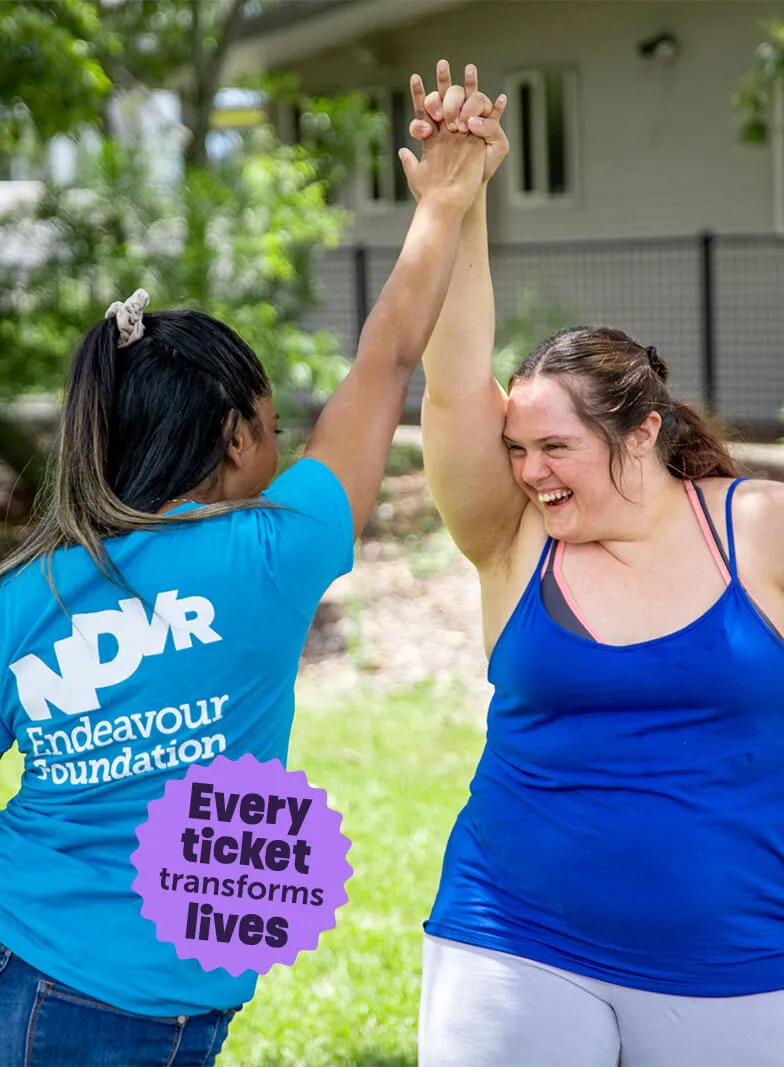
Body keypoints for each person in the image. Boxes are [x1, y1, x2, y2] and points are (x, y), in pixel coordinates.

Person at [0, 81, 489, 1067]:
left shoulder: (26, 591)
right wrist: (446, 196)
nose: (281, 446)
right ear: (232, 436)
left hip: (35, 963)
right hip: (106, 1006)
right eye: (269, 426)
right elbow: (386, 357)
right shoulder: (275, 551)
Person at [411, 62, 784, 1067]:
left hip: (744, 954)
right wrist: (460, 202)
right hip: (511, 936)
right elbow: (452, 382)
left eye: (555, 447)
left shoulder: (762, 528)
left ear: (642, 433)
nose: (528, 471)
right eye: (517, 449)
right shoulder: (513, 541)